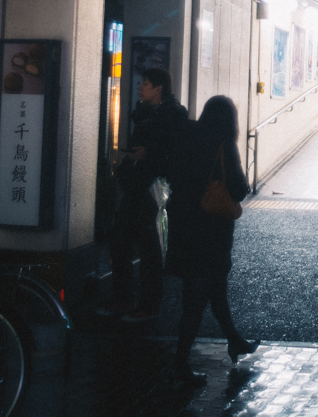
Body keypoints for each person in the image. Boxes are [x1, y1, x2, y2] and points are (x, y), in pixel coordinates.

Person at [165, 95, 257, 386]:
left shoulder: (186, 137)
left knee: (214, 287)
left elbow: (170, 173)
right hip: (211, 230)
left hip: (183, 225)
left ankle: (234, 340)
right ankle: (179, 363)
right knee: (196, 298)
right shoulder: (223, 143)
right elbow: (240, 189)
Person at [98, 68, 187, 322]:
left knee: (150, 250)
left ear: (159, 88)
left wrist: (148, 154)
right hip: (135, 185)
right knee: (120, 242)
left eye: (145, 84)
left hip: (154, 188)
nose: (140, 88)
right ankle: (124, 298)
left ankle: (148, 305)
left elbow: (174, 153)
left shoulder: (174, 114)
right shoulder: (144, 111)